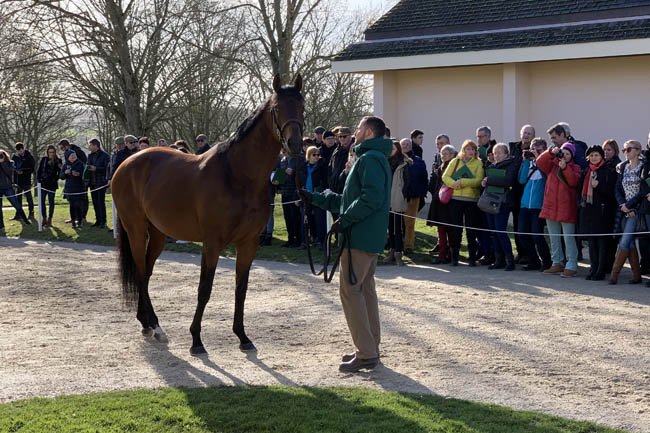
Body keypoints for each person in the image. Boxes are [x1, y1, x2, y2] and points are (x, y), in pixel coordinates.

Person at [299, 116, 391, 373]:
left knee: (351, 292)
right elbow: (350, 199)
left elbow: (370, 198)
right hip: (366, 235)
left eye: (359, 128)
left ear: (369, 132)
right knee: (365, 291)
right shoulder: (373, 158)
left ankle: (366, 352)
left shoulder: (369, 159)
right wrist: (316, 198)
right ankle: (369, 347)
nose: (356, 132)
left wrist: (345, 220)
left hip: (358, 236)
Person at [537, 142, 582, 277]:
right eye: (563, 153)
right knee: (554, 237)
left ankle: (571, 264)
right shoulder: (551, 165)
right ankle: (556, 262)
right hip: (551, 206)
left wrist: (565, 168)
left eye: (568, 154)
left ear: (572, 156)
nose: (565, 156)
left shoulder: (575, 168)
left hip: (566, 207)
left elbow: (573, 182)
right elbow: (539, 162)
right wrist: (550, 152)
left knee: (569, 238)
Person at [442, 139, 484, 266]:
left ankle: (472, 257)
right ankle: (455, 257)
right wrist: (453, 184)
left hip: (471, 200)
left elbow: (478, 180)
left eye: (473, 149)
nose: (471, 151)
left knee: (471, 230)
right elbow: (445, 176)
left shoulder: (478, 163)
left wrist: (462, 182)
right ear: (463, 150)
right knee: (456, 228)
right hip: (456, 200)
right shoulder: (455, 161)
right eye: (468, 149)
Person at [578, 145, 618, 281]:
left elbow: (611, 192)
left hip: (602, 212)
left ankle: (600, 270)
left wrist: (598, 186)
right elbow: (580, 190)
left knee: (602, 243)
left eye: (596, 155)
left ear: (601, 157)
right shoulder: (586, 171)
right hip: (589, 211)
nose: (594, 158)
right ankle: (593, 268)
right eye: (591, 155)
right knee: (592, 242)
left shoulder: (608, 171)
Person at [610, 140, 645, 285]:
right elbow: (617, 188)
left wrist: (630, 206)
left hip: (637, 210)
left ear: (638, 151)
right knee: (629, 242)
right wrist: (622, 204)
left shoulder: (644, 167)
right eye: (624, 150)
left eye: (629, 149)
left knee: (624, 241)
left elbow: (643, 191)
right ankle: (637, 276)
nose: (626, 152)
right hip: (623, 209)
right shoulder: (623, 167)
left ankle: (614, 275)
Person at [481, 143, 518, 271]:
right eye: (495, 153)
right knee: (493, 231)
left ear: (506, 154)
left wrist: (489, 180)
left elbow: (507, 182)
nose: (496, 155)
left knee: (500, 230)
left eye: (499, 152)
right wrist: (484, 182)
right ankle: (499, 259)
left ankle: (510, 260)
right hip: (490, 200)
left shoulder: (511, 165)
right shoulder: (492, 166)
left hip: (503, 202)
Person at [517, 138, 551, 271]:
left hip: (538, 206)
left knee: (537, 236)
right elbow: (521, 180)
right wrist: (526, 161)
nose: (534, 151)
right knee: (522, 235)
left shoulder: (546, 164)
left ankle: (547, 262)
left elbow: (546, 177)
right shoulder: (528, 163)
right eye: (532, 149)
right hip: (525, 205)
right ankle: (534, 261)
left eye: (538, 150)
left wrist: (539, 159)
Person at [508, 124, 536, 263]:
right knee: (517, 223)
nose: (526, 136)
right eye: (524, 133)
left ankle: (529, 254)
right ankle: (520, 252)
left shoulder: (534, 149)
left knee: (527, 225)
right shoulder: (513, 147)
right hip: (515, 191)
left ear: (533, 136)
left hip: (529, 190)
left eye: (529, 134)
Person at [427, 144, 456, 264]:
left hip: (449, 202)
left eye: (446, 154)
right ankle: (442, 254)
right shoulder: (441, 166)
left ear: (452, 155)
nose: (443, 156)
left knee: (449, 230)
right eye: (442, 154)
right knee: (441, 230)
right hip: (439, 201)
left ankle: (449, 255)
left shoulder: (454, 166)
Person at [400, 137, 428, 253]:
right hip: (398, 195)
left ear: (411, 146)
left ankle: (408, 245)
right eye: (403, 144)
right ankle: (396, 244)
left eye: (408, 144)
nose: (406, 146)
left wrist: (422, 192)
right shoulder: (396, 159)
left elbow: (424, 178)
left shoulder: (418, 161)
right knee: (397, 222)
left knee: (410, 222)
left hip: (413, 195)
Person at [386, 140, 411, 266]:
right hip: (387, 199)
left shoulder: (404, 163)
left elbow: (407, 182)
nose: (391, 151)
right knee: (390, 227)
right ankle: (391, 250)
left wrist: (402, 195)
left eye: (393, 149)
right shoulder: (385, 162)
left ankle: (398, 253)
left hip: (398, 198)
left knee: (398, 228)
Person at [299, 146, 328, 249]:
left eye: (318, 155)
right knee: (305, 220)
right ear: (308, 156)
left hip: (317, 197)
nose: (316, 157)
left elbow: (325, 182)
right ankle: (304, 242)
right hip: (305, 198)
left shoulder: (322, 167)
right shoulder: (303, 167)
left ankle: (321, 241)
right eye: (314, 154)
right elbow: (298, 183)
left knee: (320, 220)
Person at [603, 139, 622, 273]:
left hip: (614, 205)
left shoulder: (617, 166)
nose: (606, 152)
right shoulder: (603, 164)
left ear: (615, 151)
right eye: (604, 149)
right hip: (605, 205)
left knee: (612, 237)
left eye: (609, 150)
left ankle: (609, 265)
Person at [0, 150, 31, 229]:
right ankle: (1, 224)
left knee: (16, 204)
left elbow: (9, 171)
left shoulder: (10, 163)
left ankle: (25, 220)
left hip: (8, 187)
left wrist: (3, 163)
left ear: (5, 156)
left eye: (1, 155)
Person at [86, 138, 110, 228]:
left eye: (90, 145)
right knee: (95, 202)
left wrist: (96, 168)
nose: (89, 147)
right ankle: (98, 220)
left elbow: (107, 169)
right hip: (92, 182)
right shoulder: (90, 156)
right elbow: (87, 166)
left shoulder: (105, 156)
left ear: (95, 145)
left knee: (101, 202)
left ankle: (103, 221)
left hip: (101, 182)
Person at [36, 145, 63, 226]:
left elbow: (60, 173)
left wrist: (55, 179)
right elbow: (39, 171)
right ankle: (44, 218)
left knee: (51, 202)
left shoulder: (58, 160)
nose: (51, 154)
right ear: (47, 152)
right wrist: (39, 180)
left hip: (52, 184)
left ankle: (50, 218)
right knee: (42, 202)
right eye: (49, 152)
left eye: (53, 152)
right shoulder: (44, 159)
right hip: (43, 183)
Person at [60, 150, 86, 228]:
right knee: (72, 206)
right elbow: (61, 176)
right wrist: (65, 173)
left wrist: (77, 174)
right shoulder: (65, 165)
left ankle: (80, 222)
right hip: (69, 188)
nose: (73, 156)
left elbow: (83, 173)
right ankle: (73, 222)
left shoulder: (80, 164)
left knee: (78, 205)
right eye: (72, 155)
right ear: (68, 157)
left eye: (74, 155)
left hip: (79, 188)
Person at [11, 142, 35, 220]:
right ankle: (18, 214)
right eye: (18, 151)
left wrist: (23, 171)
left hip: (26, 180)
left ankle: (31, 212)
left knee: (28, 197)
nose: (20, 152)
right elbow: (12, 167)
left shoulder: (29, 157)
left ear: (23, 149)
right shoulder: (14, 157)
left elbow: (32, 168)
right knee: (18, 198)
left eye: (21, 150)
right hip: (18, 180)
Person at [327, 127, 353, 193]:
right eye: (340, 136)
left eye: (344, 136)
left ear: (350, 136)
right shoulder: (336, 151)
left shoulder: (354, 151)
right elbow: (330, 169)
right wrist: (331, 183)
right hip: (334, 188)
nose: (342, 138)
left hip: (347, 189)